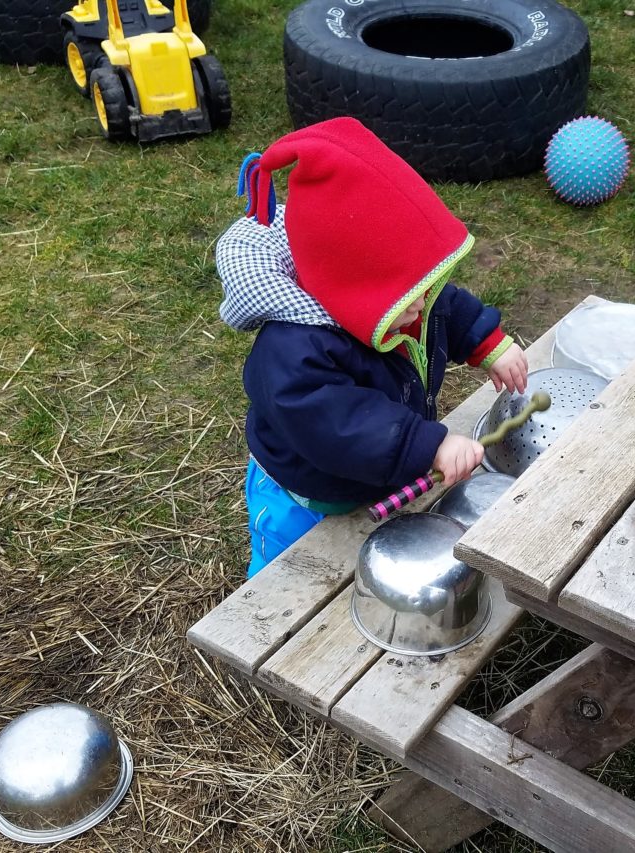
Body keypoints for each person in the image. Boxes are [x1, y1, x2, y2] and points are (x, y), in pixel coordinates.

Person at [216, 117, 528, 579]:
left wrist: (486, 342)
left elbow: (446, 306)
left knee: (365, 560)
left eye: (425, 283)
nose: (422, 302)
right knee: (289, 570)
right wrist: (430, 444)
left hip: (376, 473)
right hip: (306, 491)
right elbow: (344, 426)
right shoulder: (293, 352)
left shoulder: (409, 301)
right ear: (349, 291)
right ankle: (263, 622)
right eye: (407, 294)